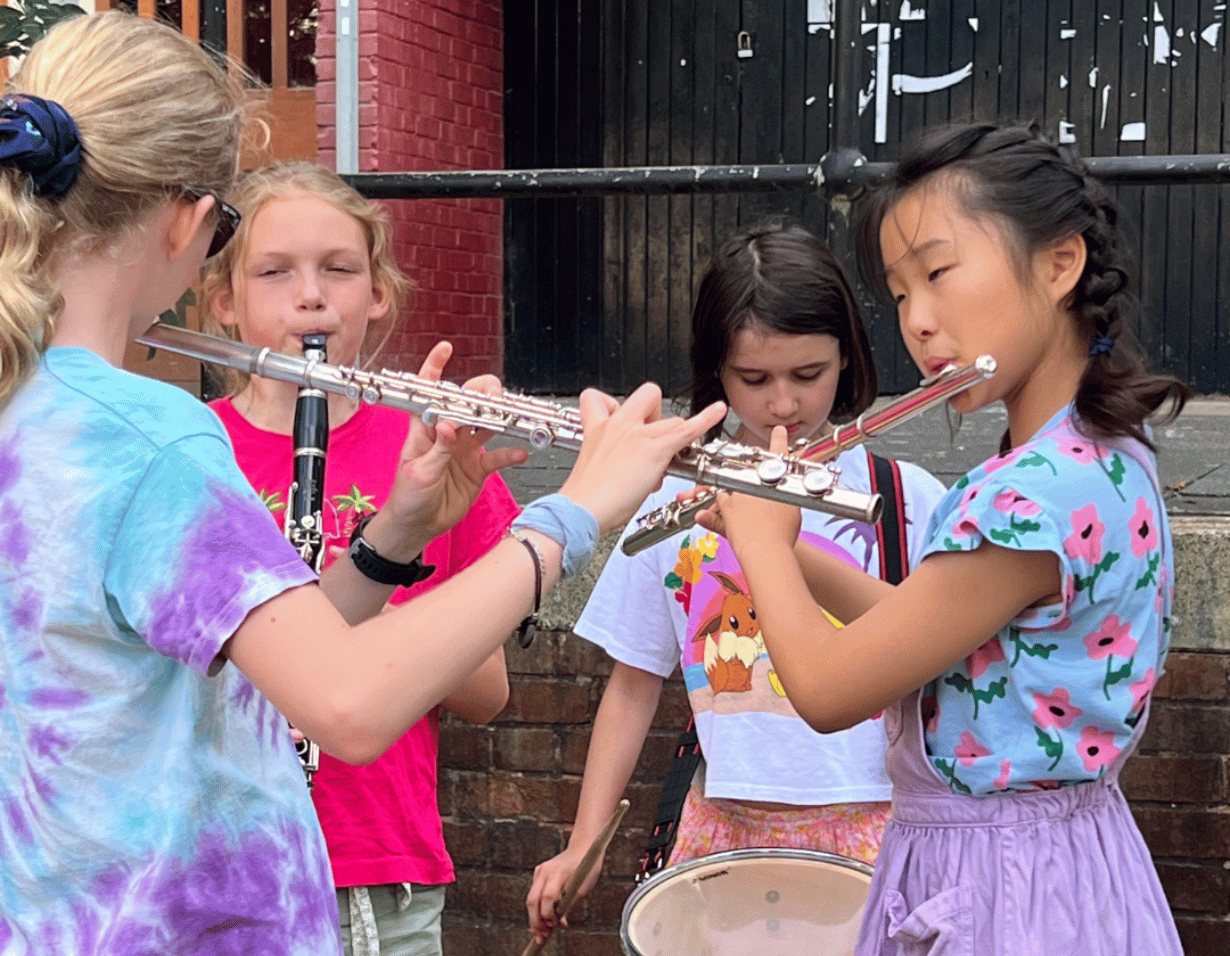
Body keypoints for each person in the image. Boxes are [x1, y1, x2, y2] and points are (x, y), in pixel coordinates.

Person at [0, 12, 726, 954]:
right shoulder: (149, 437)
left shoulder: (30, 410)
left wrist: (395, 538)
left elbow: (254, 666)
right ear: (186, 219)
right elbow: (345, 705)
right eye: (227, 226)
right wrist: (576, 510)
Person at [699, 123, 1187, 954]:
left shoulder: (1028, 495)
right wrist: (784, 549)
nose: (917, 322)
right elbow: (935, 634)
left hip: (999, 890)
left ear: (1060, 264)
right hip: (1070, 867)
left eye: (938, 273)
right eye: (898, 293)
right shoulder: (1104, 455)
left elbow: (826, 690)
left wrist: (767, 541)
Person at [527, 219, 947, 942]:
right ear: (715, 372)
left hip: (883, 825)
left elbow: (944, 670)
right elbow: (632, 687)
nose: (783, 405)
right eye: (753, 380)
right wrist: (582, 841)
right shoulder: (670, 504)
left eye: (808, 375)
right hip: (723, 830)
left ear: (847, 358)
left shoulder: (906, 496)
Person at [200, 161, 518, 956]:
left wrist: (365, 598)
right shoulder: (192, 454)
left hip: (376, 862)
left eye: (339, 270)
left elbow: (488, 692)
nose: (311, 297)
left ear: (377, 293)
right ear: (223, 303)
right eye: (275, 273)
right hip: (221, 858)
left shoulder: (433, 450)